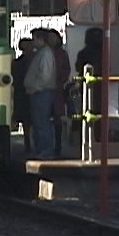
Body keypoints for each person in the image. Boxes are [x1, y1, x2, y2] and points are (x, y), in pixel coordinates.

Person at [24, 28, 57, 159]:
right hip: (38, 91)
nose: (33, 42)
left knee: (42, 122)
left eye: (34, 39)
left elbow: (45, 75)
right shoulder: (42, 53)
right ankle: (40, 149)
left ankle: (46, 150)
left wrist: (36, 87)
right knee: (39, 122)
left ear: (40, 39)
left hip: (41, 92)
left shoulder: (45, 54)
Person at [48, 29, 71, 157]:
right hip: (45, 87)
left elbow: (66, 69)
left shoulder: (62, 53)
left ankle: (58, 145)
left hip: (57, 89)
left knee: (57, 117)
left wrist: (61, 80)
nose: (51, 40)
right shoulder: (44, 52)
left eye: (53, 37)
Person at [12, 38, 34, 153]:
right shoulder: (32, 61)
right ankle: (29, 141)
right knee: (31, 118)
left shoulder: (16, 63)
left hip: (20, 91)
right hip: (28, 91)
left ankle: (28, 141)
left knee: (26, 118)